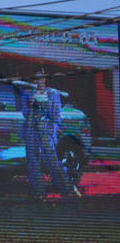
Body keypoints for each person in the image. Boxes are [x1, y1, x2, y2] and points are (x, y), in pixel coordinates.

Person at [18, 71, 80, 201]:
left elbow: (57, 116)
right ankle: (38, 193)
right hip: (31, 131)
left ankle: (67, 190)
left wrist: (51, 132)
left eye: (40, 78)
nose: (37, 81)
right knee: (33, 163)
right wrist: (29, 106)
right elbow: (24, 113)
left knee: (53, 161)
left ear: (44, 79)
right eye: (35, 79)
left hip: (45, 132)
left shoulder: (53, 94)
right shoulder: (29, 94)